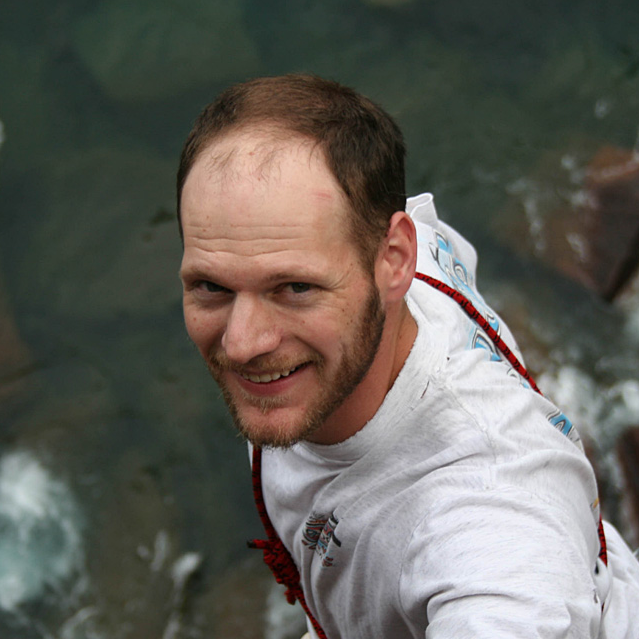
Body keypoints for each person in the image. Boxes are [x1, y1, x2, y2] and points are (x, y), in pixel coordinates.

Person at [177, 74, 639, 638]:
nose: (243, 343)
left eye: (294, 288)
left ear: (395, 261)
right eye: (211, 287)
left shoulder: (492, 522)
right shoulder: (411, 259)